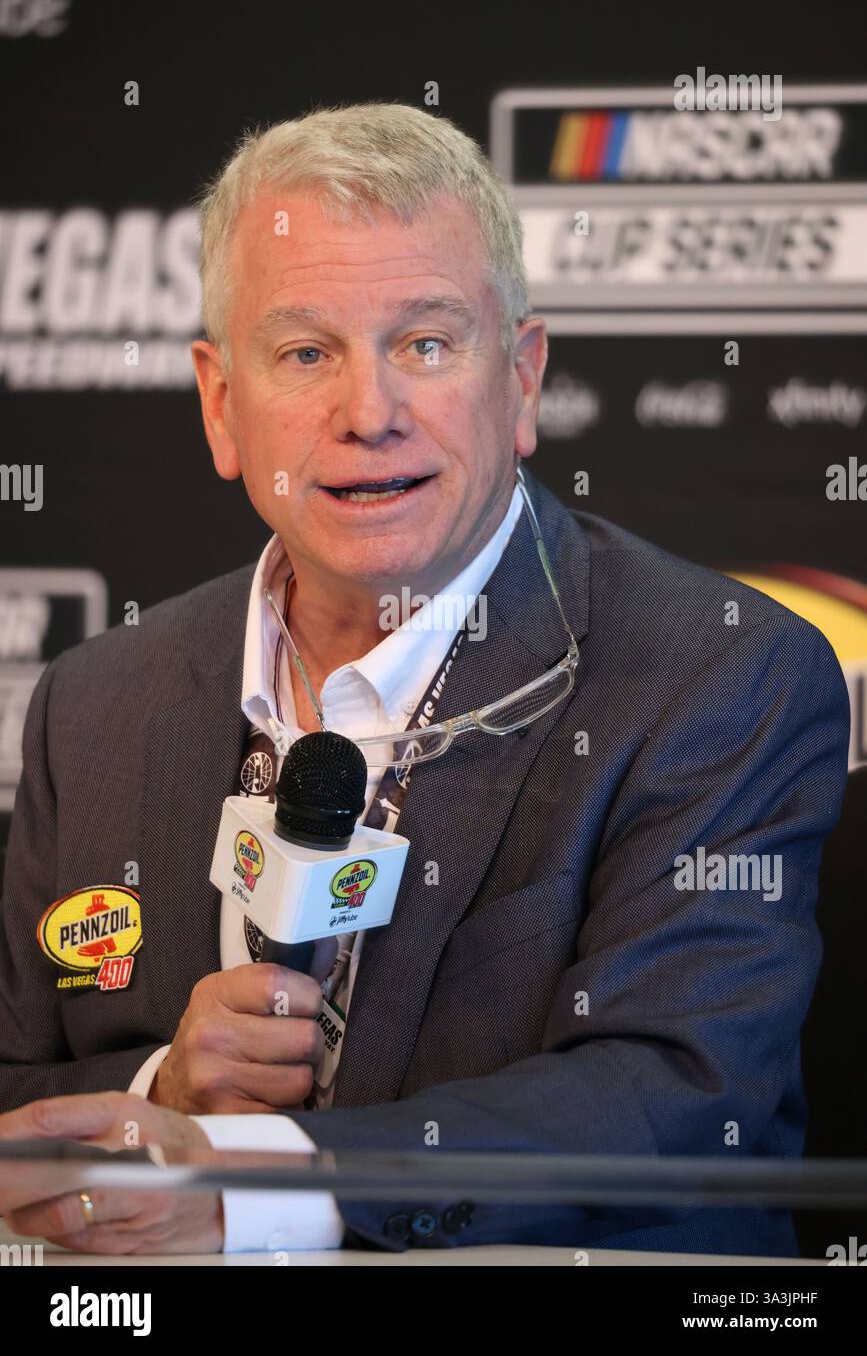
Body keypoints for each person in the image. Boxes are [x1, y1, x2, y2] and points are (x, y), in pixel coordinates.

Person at [0, 103, 850, 1256]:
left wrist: (257, 1182)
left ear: (525, 376)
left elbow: (681, 1093)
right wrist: (164, 1087)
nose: (369, 414)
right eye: (306, 353)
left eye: (428, 344)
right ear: (219, 403)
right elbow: (18, 1088)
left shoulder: (716, 668)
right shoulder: (94, 701)